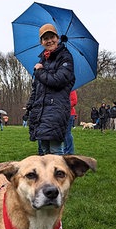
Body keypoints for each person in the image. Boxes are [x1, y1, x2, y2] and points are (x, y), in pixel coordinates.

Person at [26, 23, 74, 155]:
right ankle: (47, 176)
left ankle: (59, 175)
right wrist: (30, 105)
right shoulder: (43, 60)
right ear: (41, 42)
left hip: (56, 110)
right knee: (44, 151)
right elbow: (36, 88)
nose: (49, 41)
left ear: (57, 38)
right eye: (45, 38)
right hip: (41, 111)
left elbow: (58, 80)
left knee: (55, 151)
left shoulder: (65, 57)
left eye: (51, 37)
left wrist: (40, 72)